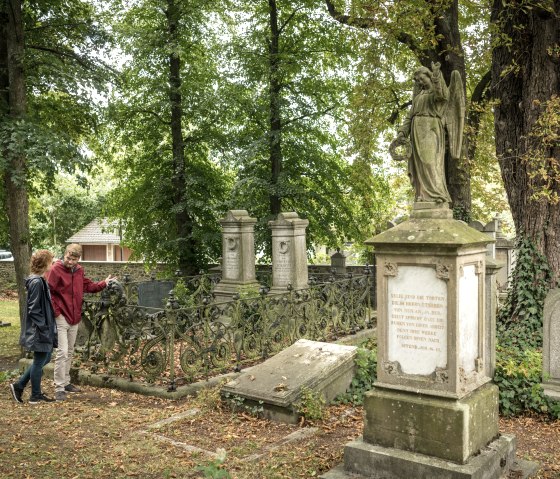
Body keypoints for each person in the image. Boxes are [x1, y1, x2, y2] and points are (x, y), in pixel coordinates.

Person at [48, 243, 115, 401]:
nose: (70, 261)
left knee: (70, 351)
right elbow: (48, 292)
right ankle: (58, 388)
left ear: (78, 259)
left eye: (74, 259)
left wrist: (103, 283)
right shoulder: (56, 269)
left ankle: (66, 382)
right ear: (65, 254)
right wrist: (57, 312)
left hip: (75, 317)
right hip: (61, 317)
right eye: (68, 258)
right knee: (62, 352)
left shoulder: (79, 270)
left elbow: (87, 286)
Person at [393, 61, 464, 205]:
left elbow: (442, 95)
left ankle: (437, 195)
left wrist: (437, 75)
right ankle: (423, 195)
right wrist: (402, 132)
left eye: (422, 78)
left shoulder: (436, 93)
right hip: (416, 132)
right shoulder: (419, 95)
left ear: (428, 76)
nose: (420, 82)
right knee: (419, 165)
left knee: (430, 162)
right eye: (417, 80)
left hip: (430, 128)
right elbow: (410, 115)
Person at [10, 250, 57, 404]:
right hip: (38, 330)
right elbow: (34, 309)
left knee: (46, 357)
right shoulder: (36, 282)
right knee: (40, 360)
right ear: (45, 263)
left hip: (41, 328)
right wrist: (44, 328)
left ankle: (19, 385)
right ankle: (35, 395)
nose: (53, 262)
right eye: (51, 260)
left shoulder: (39, 279)